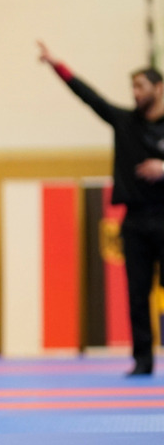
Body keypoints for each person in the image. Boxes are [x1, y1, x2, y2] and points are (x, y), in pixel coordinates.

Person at [38, 40, 164, 376]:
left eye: (141, 86)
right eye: (132, 87)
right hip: (135, 220)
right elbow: (89, 97)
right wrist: (57, 65)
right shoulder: (125, 122)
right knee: (137, 294)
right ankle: (142, 359)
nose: (135, 92)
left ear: (159, 88)